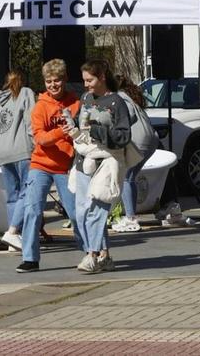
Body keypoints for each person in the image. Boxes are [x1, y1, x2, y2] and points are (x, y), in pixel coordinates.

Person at [15, 59, 80, 273]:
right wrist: (63, 131)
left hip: (65, 167)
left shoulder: (75, 103)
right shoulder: (40, 107)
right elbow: (41, 139)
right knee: (32, 210)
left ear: (65, 80)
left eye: (57, 81)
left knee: (74, 212)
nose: (53, 85)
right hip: (40, 165)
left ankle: (90, 251)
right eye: (49, 81)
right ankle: (30, 258)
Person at [72, 60, 131, 273]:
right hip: (83, 162)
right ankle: (104, 256)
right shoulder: (86, 98)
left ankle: (92, 255)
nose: (86, 84)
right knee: (81, 214)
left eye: (90, 80)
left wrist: (97, 131)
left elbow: (123, 136)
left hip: (106, 163)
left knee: (96, 212)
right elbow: (82, 128)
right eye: (84, 80)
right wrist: (71, 127)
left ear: (102, 77)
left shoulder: (116, 102)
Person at [0, 70, 36, 251]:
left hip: (2, 151)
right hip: (21, 149)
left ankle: (13, 237)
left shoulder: (0, 100)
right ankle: (16, 233)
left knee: (12, 196)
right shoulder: (26, 93)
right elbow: (31, 121)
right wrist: (36, 145)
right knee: (26, 192)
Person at [111, 74, 159, 233]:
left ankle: (131, 218)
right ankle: (130, 215)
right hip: (150, 139)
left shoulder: (119, 97)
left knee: (127, 178)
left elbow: (129, 115)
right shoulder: (129, 96)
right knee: (129, 177)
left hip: (139, 141)